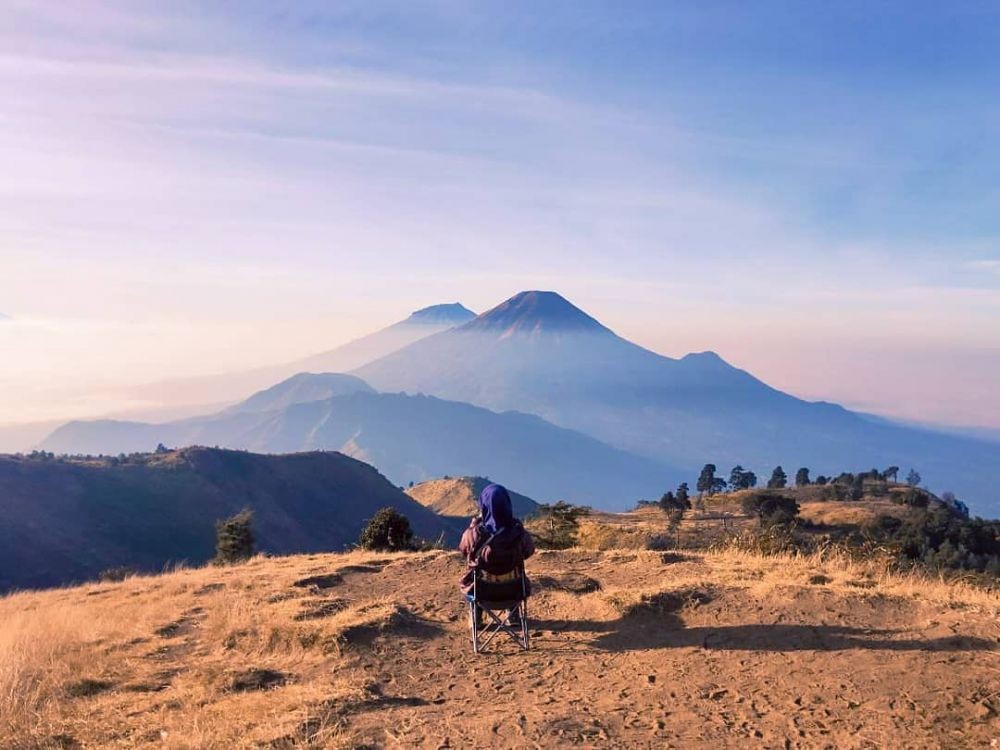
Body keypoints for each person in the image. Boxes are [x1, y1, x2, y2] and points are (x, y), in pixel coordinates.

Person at [459, 484, 535, 624]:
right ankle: (513, 614)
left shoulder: (475, 533)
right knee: (512, 571)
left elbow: (464, 549)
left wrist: (473, 526)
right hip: (514, 592)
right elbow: (529, 550)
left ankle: (476, 615)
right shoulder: (518, 532)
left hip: (482, 593)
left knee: (473, 576)